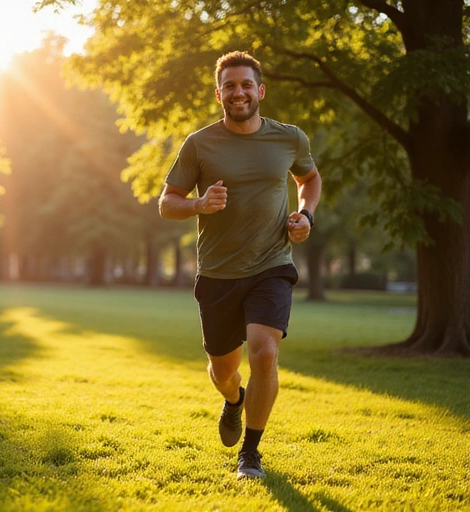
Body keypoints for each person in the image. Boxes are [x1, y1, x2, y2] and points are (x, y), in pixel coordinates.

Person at [159, 51, 322, 479]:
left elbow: (310, 179)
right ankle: (234, 401)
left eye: (246, 84)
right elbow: (166, 203)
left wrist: (305, 215)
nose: (239, 92)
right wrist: (197, 203)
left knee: (265, 352)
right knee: (223, 372)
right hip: (217, 273)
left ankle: (250, 453)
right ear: (219, 93)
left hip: (272, 264)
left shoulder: (289, 139)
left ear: (260, 90)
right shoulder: (199, 143)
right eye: (229, 86)